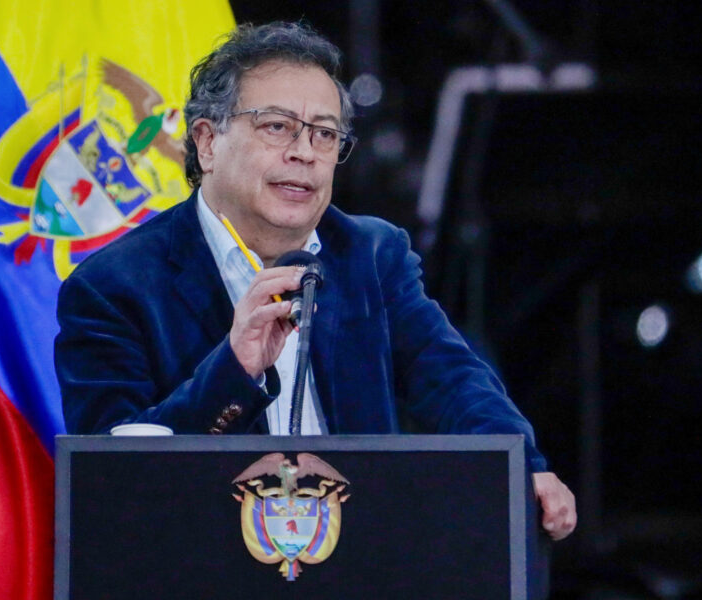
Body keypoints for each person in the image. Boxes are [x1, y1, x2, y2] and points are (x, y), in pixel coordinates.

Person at [55, 21, 576, 540]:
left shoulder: (371, 255)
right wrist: (234, 371)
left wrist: (523, 464)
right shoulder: (110, 288)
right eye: (277, 126)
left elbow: (453, 378)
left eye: (325, 134)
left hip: (361, 559)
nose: (305, 152)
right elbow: (111, 489)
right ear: (207, 142)